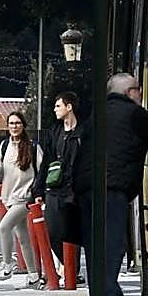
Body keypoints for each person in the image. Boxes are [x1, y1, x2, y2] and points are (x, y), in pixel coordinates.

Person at [74, 74, 148, 296]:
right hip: (112, 188)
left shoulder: (97, 114)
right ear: (130, 92)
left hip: (87, 188)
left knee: (95, 247)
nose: (140, 94)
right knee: (112, 247)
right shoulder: (133, 113)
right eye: (138, 90)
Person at [32, 92, 87, 275]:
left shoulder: (84, 131)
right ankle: (65, 264)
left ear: (69, 107)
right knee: (52, 230)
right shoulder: (55, 132)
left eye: (58, 106)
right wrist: (38, 189)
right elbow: (46, 161)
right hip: (54, 188)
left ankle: (73, 272)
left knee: (72, 231)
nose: (55, 110)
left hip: (75, 190)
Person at [0, 110, 45, 287]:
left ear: (23, 125)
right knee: (23, 238)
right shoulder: (4, 146)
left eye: (17, 123)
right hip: (9, 196)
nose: (14, 126)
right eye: (11, 123)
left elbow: (41, 172)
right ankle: (33, 274)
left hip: (25, 198)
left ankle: (7, 265)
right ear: (7, 126)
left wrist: (38, 195)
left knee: (4, 226)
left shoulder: (33, 147)